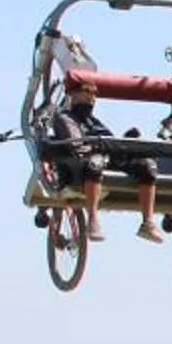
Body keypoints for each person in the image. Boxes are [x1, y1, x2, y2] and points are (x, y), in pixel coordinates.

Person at [38, 76, 115, 241]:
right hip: (77, 166)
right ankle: (93, 219)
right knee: (93, 164)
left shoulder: (93, 122)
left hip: (94, 159)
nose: (91, 100)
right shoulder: (65, 118)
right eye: (86, 94)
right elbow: (75, 144)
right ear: (73, 95)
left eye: (94, 97)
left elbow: (107, 139)